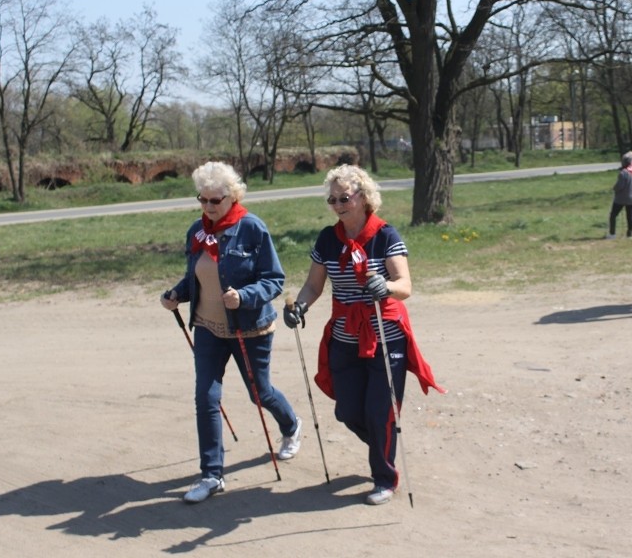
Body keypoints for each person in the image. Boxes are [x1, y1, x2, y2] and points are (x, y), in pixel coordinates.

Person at [282, 164, 445, 506]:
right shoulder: (328, 239)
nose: (338, 204)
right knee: (348, 411)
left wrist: (384, 285)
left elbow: (405, 286)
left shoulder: (385, 235)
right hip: (344, 336)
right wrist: (299, 306)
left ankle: (384, 477)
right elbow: (314, 285)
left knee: (380, 411)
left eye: (344, 198)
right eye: (332, 199)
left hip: (385, 336)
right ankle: (384, 446)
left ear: (363, 197)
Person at [160, 161, 302, 504]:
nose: (208, 207)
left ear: (232, 196)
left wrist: (244, 296)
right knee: (206, 399)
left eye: (216, 200)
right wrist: (177, 294)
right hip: (208, 327)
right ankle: (211, 475)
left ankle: (291, 425)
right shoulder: (197, 231)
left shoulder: (252, 228)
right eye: (203, 199)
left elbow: (274, 279)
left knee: (260, 393)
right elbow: (196, 276)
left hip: (249, 328)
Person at [606, 151, 632, 239]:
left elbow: (619, 186)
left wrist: (614, 188)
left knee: (613, 215)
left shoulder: (623, 172)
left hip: (621, 198)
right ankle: (629, 234)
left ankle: (612, 234)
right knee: (630, 217)